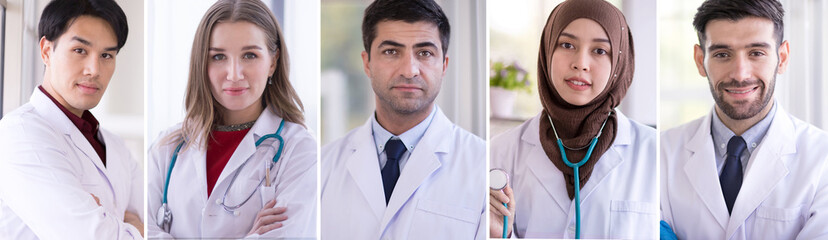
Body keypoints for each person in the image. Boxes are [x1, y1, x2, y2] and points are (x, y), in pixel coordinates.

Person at [146, 0, 316, 238]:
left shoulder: (299, 150)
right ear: (201, 63)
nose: (234, 74)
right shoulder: (167, 148)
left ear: (273, 62)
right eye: (218, 57)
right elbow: (140, 230)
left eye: (249, 55)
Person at [489, 0, 658, 238]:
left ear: (619, 64)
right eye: (567, 44)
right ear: (548, 49)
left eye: (600, 50)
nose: (580, 63)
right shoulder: (501, 152)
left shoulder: (655, 153)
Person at [660, 0, 828, 239]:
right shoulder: (662, 153)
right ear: (700, 60)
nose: (740, 74)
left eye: (756, 53)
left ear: (782, 57)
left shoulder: (822, 159)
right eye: (722, 54)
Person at [320, 0, 486, 239]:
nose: (409, 70)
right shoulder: (323, 166)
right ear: (367, 63)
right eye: (391, 52)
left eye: (425, 53)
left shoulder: (482, 165)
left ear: (444, 65)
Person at [0, 0, 143, 239]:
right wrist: (131, 225)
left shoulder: (115, 146)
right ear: (46, 50)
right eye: (80, 51)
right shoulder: (19, 135)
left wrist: (122, 225)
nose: (94, 70)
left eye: (107, 55)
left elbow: (154, 221)